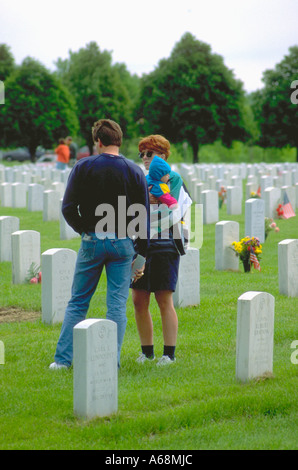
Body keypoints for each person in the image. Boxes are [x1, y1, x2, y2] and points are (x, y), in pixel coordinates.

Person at [49, 119, 150, 370]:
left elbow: (68, 207)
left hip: (93, 239)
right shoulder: (135, 170)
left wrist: (85, 229)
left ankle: (63, 361)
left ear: (99, 141)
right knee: (116, 304)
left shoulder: (84, 166)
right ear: (118, 141)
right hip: (123, 242)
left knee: (79, 301)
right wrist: (141, 255)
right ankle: (109, 361)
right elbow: (143, 216)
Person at [132, 135, 192, 366]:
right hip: (141, 244)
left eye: (151, 154)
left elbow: (169, 207)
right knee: (139, 299)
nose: (146, 158)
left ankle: (169, 354)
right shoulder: (140, 179)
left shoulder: (174, 178)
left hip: (166, 245)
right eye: (143, 154)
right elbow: (135, 209)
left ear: (164, 156)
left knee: (163, 298)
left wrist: (150, 200)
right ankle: (147, 353)